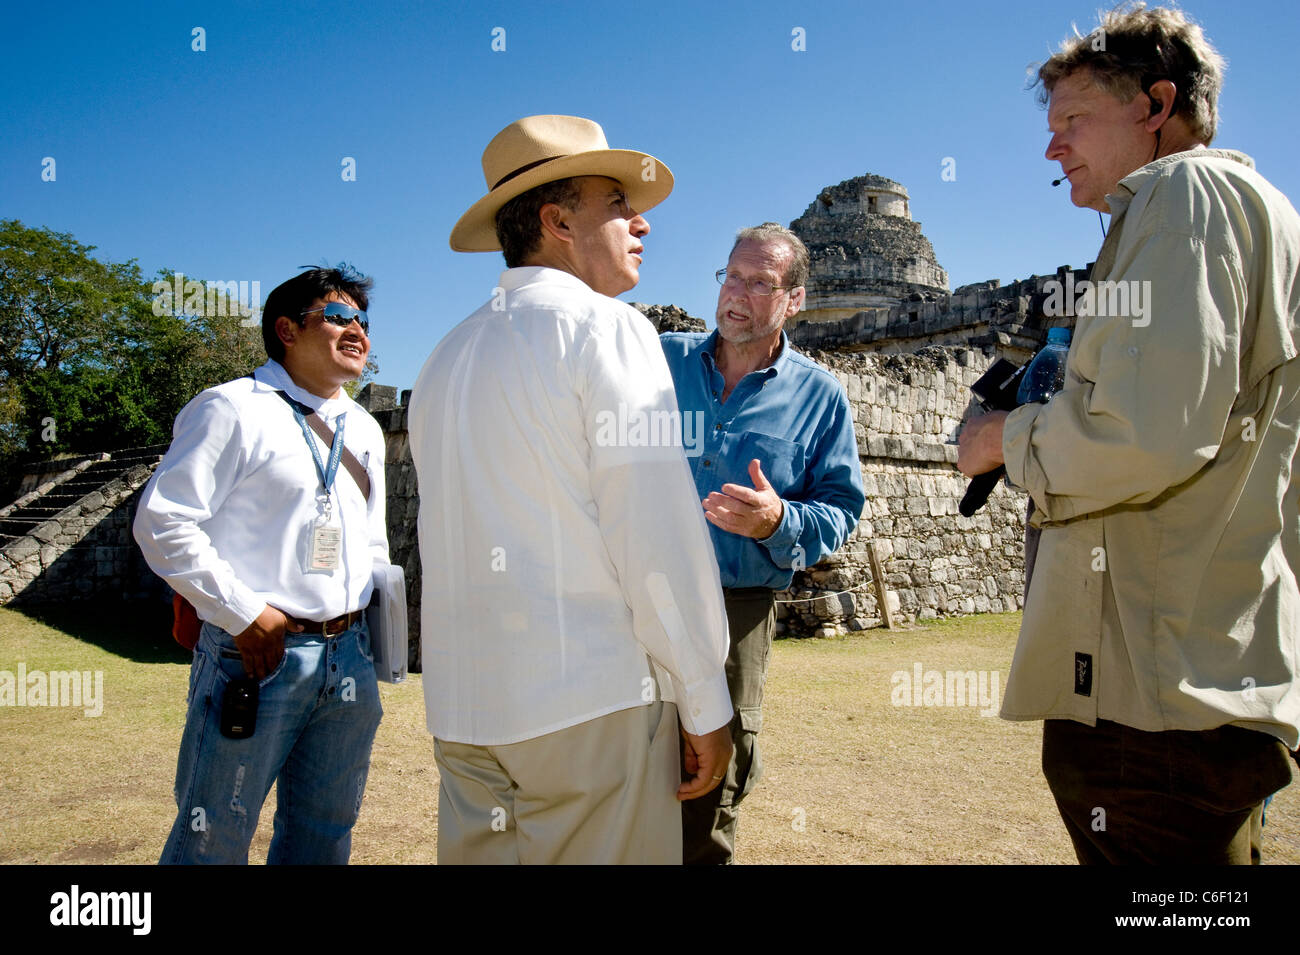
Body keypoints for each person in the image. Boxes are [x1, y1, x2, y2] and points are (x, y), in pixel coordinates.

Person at [958, 2, 1299, 864]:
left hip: (1154, 699)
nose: (1052, 146)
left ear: (1155, 104)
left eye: (1074, 119)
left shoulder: (1183, 198)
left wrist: (1004, 438)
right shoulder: (1258, 215)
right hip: (1205, 674)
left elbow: (1145, 436)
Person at [409, 114, 733, 864]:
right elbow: (653, 535)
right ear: (558, 220)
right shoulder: (608, 330)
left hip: (466, 710)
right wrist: (703, 695)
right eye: (616, 202)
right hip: (588, 701)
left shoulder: (444, 357)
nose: (641, 221)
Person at [134, 265, 388, 864]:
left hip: (347, 652)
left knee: (324, 833)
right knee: (214, 834)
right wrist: (244, 613)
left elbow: (372, 545)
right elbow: (162, 521)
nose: (357, 331)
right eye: (337, 316)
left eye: (363, 320)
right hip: (257, 655)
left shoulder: (367, 429)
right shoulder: (232, 408)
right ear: (286, 329)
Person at [660, 223, 865, 864]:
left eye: (760, 283)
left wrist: (778, 522)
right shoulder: (658, 361)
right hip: (630, 600)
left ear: (795, 300)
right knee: (618, 760)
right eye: (730, 275)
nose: (737, 294)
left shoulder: (821, 397)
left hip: (737, 607)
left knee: (710, 780)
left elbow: (841, 509)